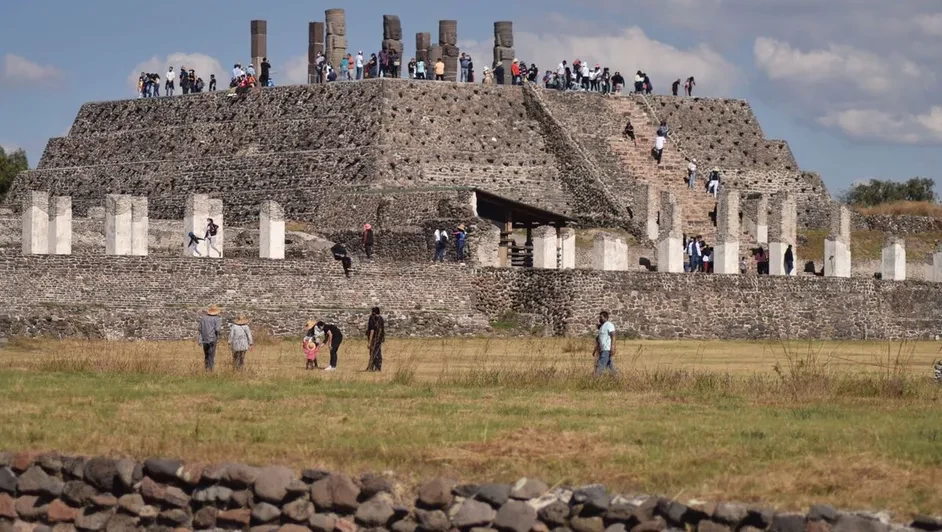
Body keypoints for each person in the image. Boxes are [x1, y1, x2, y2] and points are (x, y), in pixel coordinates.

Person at [198, 305, 223, 371]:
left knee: (206, 354)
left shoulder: (203, 318)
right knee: (211, 354)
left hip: (204, 338)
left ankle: (206, 368)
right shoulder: (217, 319)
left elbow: (200, 329)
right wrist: (219, 335)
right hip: (212, 339)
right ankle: (211, 369)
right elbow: (217, 329)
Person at [594, 311, 616, 375]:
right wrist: (595, 350)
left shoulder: (609, 324)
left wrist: (612, 347)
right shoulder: (602, 327)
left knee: (600, 366)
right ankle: (616, 380)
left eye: (601, 317)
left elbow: (613, 335)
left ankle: (594, 380)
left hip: (607, 349)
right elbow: (599, 339)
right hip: (602, 349)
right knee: (611, 367)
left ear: (605, 317)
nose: (599, 319)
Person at [366, 307, 385, 372]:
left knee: (373, 353)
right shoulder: (381, 319)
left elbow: (372, 331)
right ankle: (377, 367)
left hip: (375, 339)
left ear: (373, 312)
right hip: (379, 338)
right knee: (378, 353)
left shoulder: (372, 318)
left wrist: (369, 342)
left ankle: (372, 367)